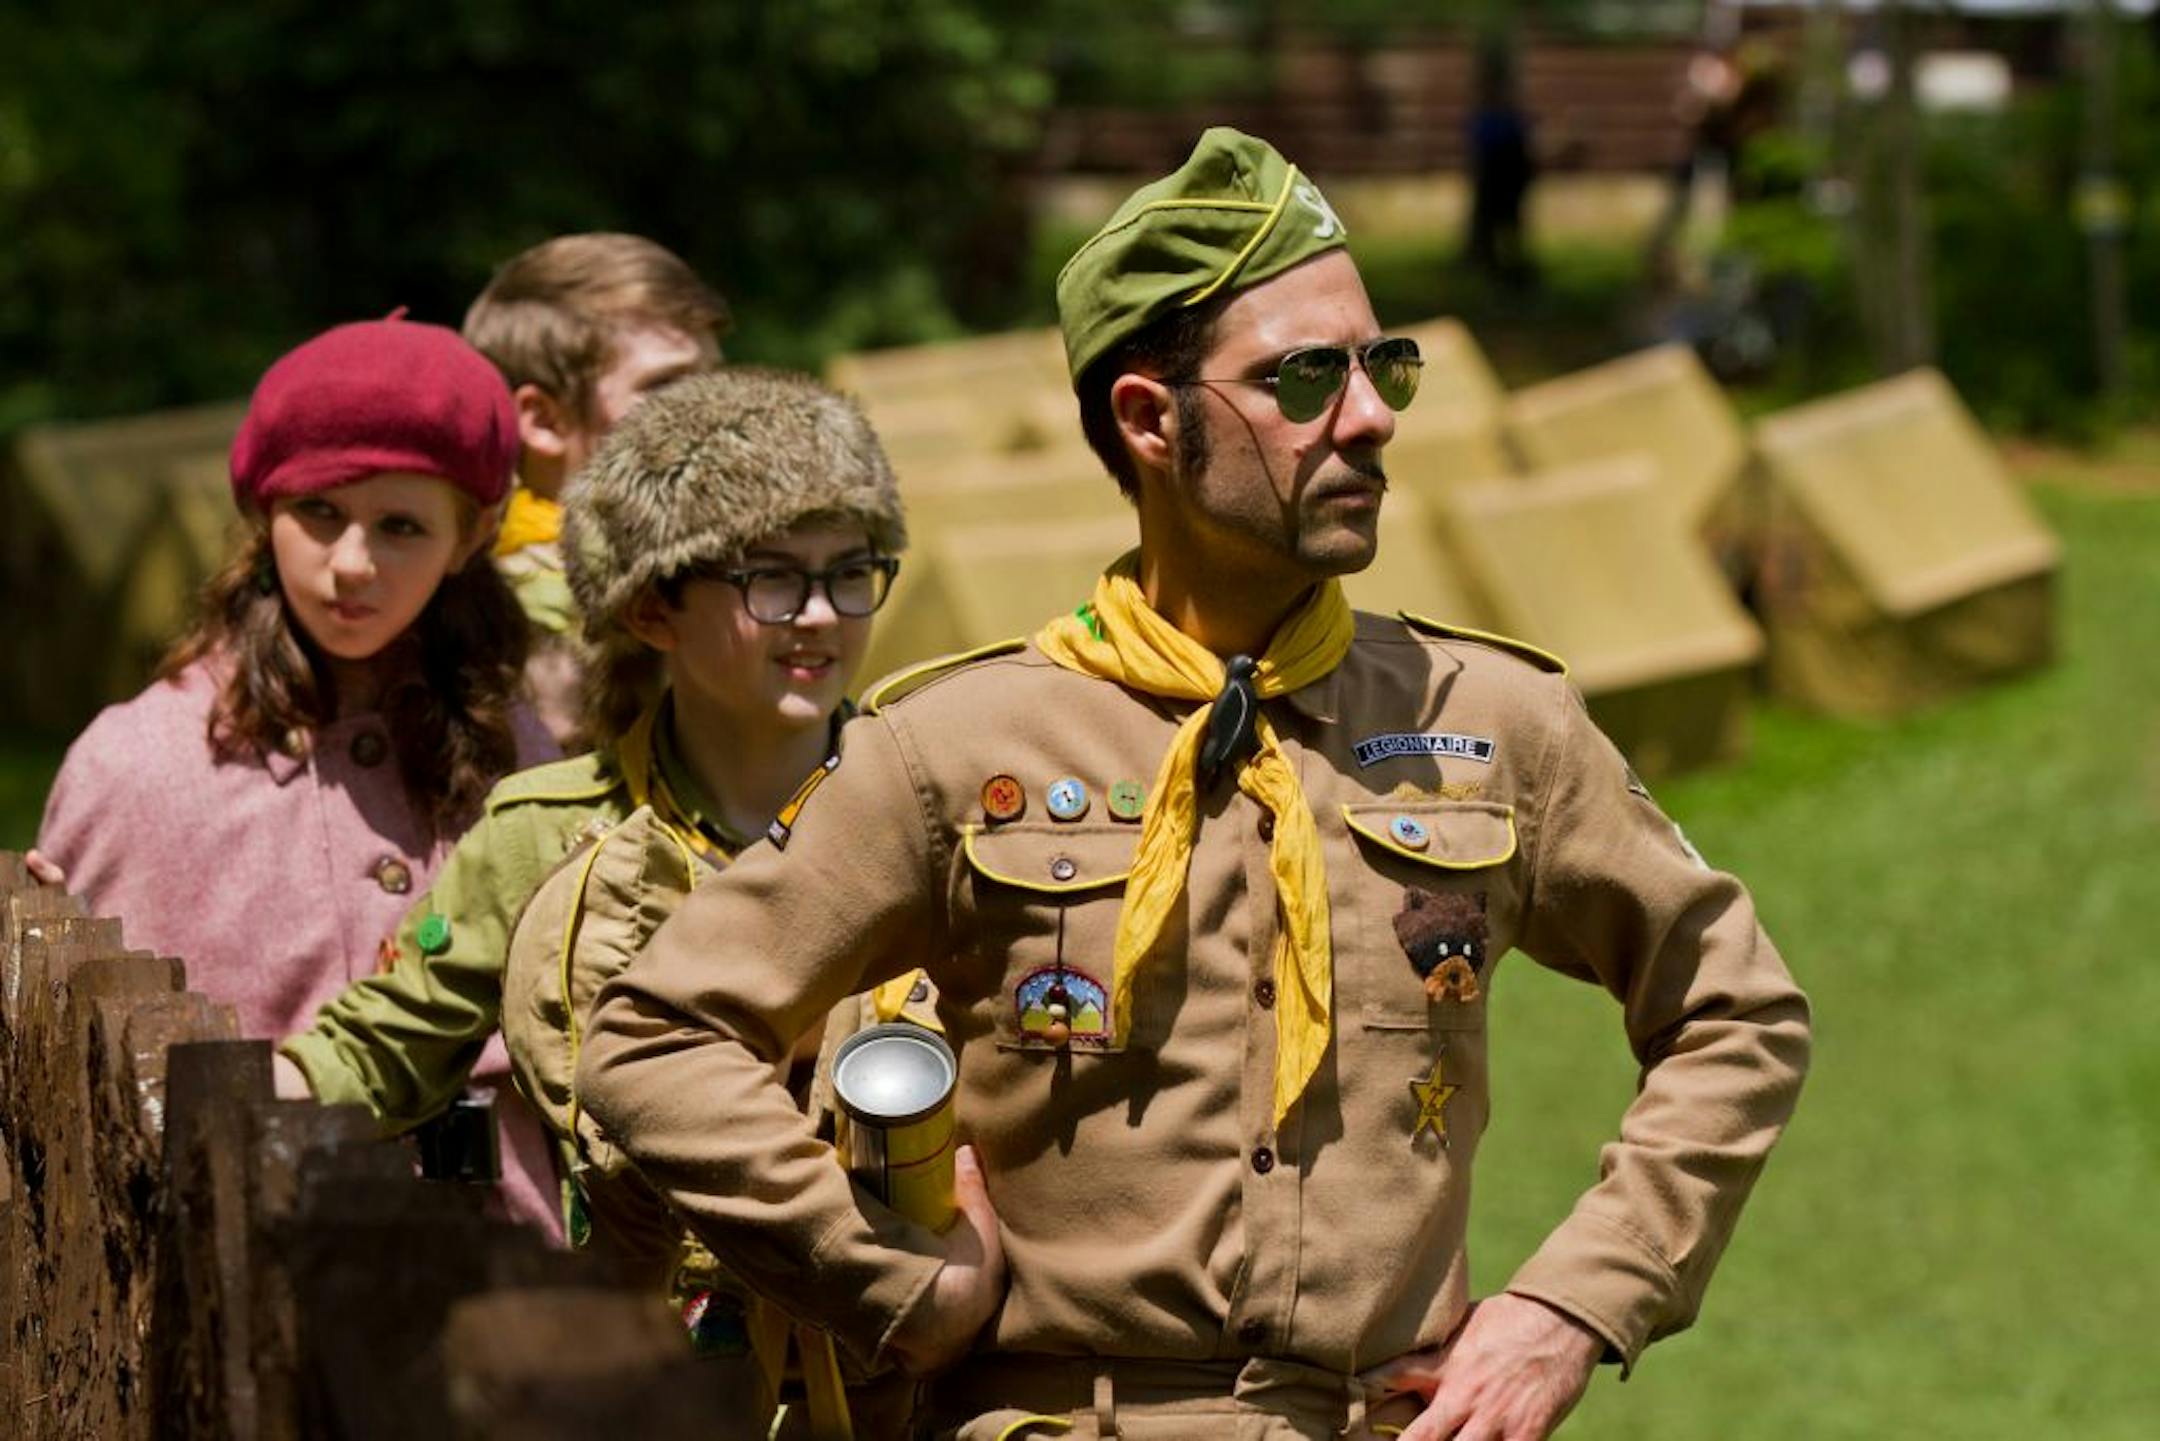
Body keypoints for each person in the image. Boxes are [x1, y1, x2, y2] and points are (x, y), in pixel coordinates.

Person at [576, 129, 1812, 1440]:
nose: (1374, 413)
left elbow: (1735, 1012)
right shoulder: (958, 748)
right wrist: (899, 1285)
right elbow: (657, 1037)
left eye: (1381, 366)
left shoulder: (1495, 724)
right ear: (1149, 420)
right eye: (1305, 377)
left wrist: (1573, 1305)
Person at [274, 369, 908, 1267]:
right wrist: (208, 1103)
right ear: (653, 609)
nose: (818, 616)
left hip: (901, 1357)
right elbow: (385, 1048)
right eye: (771, 579)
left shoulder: (933, 802)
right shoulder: (548, 836)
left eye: (850, 574)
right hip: (653, 1368)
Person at [35, 316, 561, 1227]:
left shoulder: (524, 753)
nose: (351, 565)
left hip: (513, 1302)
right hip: (232, 1305)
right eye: (320, 513)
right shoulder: (136, 766)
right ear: (263, 511)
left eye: (401, 525)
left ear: (471, 535)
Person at [462, 232, 731, 746]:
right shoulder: (482, 616)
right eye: (668, 386)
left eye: (714, 379)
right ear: (542, 420)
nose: (715, 412)